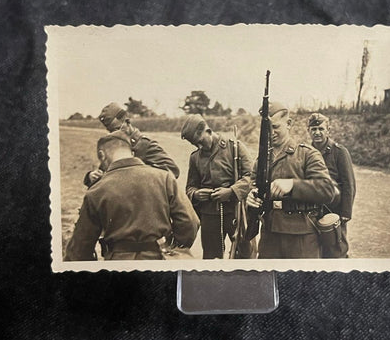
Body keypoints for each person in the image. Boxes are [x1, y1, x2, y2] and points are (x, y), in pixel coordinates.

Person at [65, 132, 199, 261]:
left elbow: (79, 248)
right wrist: (173, 246)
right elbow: (190, 222)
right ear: (132, 152)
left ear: (102, 155)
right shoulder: (164, 178)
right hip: (159, 259)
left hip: (119, 263)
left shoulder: (96, 190)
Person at [246, 102, 339, 259]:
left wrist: (292, 185)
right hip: (270, 235)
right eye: (267, 128)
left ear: (288, 124)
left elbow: (327, 190)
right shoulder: (262, 159)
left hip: (301, 236)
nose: (271, 132)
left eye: (275, 127)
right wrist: (251, 196)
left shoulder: (307, 154)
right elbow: (253, 185)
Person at [181, 114, 253, 259]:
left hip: (236, 211)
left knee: (244, 255)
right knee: (211, 258)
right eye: (195, 144)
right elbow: (190, 187)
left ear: (207, 131)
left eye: (200, 141)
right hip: (209, 215)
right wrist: (196, 194)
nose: (199, 146)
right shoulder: (195, 157)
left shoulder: (235, 148)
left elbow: (251, 177)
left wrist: (231, 191)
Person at [84, 101, 180, 186]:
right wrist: (91, 177)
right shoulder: (113, 146)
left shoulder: (144, 145)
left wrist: (138, 177)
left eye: (117, 129)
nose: (115, 134)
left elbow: (172, 170)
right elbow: (102, 171)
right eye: (111, 131)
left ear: (127, 122)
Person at [307, 112, 356, 251]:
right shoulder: (306, 153)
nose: (317, 133)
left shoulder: (339, 152)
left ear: (328, 130)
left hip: (334, 210)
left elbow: (349, 184)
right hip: (312, 210)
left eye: (321, 129)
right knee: (314, 249)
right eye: (313, 129)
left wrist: (346, 212)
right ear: (308, 131)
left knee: (336, 248)